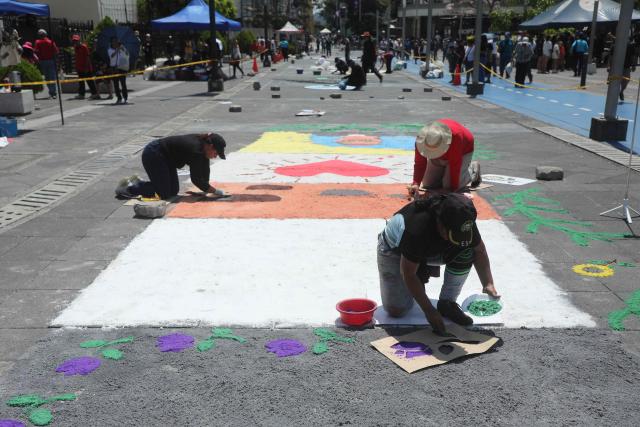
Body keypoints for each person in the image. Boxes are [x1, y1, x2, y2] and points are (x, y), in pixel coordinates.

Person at [377, 193, 500, 332]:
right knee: (397, 310)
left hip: (430, 250)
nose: (459, 240)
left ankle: (447, 302)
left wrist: (488, 283)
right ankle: (417, 275)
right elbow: (408, 273)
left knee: (467, 250)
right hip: (395, 250)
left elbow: (479, 251)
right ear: (440, 225)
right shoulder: (417, 228)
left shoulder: (463, 221)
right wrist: (429, 311)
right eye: (454, 236)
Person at [115, 133, 228, 200]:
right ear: (210, 146)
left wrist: (206, 189)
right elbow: (196, 179)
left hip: (166, 159)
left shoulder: (203, 149)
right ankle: (130, 187)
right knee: (163, 193)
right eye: (216, 153)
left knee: (172, 191)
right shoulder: (196, 150)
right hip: (154, 154)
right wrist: (216, 191)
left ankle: (140, 183)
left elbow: (204, 170)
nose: (215, 156)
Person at [408, 119, 481, 199]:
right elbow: (420, 163)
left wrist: (453, 190)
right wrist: (416, 183)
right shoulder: (422, 139)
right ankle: (445, 173)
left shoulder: (455, 137)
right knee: (428, 183)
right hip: (444, 155)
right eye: (429, 149)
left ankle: (473, 170)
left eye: (435, 149)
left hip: (463, 151)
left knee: (448, 185)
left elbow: (455, 165)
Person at [72, 35, 99, 100]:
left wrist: (86, 68)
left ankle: (94, 94)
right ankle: (81, 94)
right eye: (74, 41)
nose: (75, 42)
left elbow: (87, 57)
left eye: (76, 41)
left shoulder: (84, 47)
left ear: (79, 40)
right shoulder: (75, 48)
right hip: (79, 67)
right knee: (81, 82)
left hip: (86, 68)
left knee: (90, 81)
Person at [34, 29, 59, 99]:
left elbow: (36, 51)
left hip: (43, 61)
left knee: (47, 77)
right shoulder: (51, 42)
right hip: (51, 61)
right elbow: (56, 52)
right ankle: (53, 93)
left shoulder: (37, 42)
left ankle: (52, 92)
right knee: (52, 77)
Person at [108, 37, 129, 104]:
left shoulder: (122, 48)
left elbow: (127, 55)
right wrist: (117, 50)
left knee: (123, 83)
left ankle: (125, 97)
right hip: (114, 68)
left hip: (121, 68)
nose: (115, 43)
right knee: (116, 84)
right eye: (114, 42)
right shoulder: (109, 50)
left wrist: (123, 49)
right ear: (112, 43)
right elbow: (111, 56)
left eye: (116, 42)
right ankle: (119, 98)